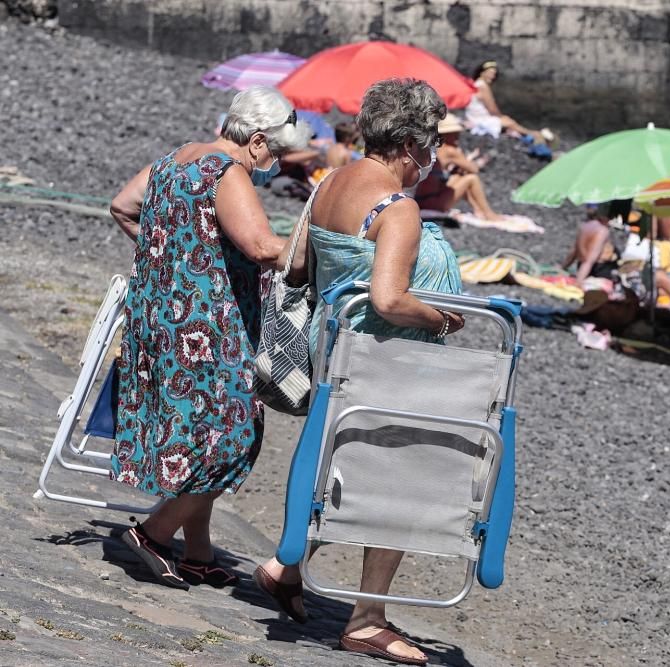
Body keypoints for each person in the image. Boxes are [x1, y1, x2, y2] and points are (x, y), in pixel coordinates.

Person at [254, 79, 463, 666]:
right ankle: (368, 618)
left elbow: (299, 262)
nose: (434, 159)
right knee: (399, 478)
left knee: (334, 460)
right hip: (390, 359)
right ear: (410, 144)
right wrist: (445, 321)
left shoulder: (332, 183)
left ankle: (284, 567)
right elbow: (391, 298)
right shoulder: (396, 206)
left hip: (335, 350)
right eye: (432, 145)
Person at [108, 86, 311, 589]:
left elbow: (121, 207)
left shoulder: (178, 157)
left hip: (159, 317)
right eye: (278, 152)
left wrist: (170, 254)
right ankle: (153, 533)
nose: (278, 163)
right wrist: (321, 250)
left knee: (202, 432)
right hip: (207, 326)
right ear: (258, 140)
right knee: (234, 435)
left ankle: (196, 550)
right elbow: (264, 248)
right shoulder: (230, 172)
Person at [414, 113, 505, 221]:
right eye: (455, 133)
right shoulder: (450, 150)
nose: (457, 136)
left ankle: (477, 209)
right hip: (433, 203)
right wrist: (465, 157)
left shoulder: (432, 147)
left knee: (459, 176)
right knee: (471, 178)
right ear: (447, 134)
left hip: (420, 200)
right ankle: (489, 214)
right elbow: (473, 169)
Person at [463, 60, 553, 145]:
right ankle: (535, 134)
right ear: (482, 73)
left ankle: (532, 134)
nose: (492, 76)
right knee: (510, 122)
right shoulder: (483, 86)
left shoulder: (477, 84)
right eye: (490, 73)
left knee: (509, 122)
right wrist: (500, 117)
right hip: (479, 118)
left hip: (473, 116)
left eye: (494, 74)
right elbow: (492, 108)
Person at [562, 201, 626, 284]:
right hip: (597, 270)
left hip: (582, 266)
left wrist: (563, 267)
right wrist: (578, 282)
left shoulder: (585, 226)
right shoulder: (602, 231)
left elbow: (574, 251)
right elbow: (589, 260)